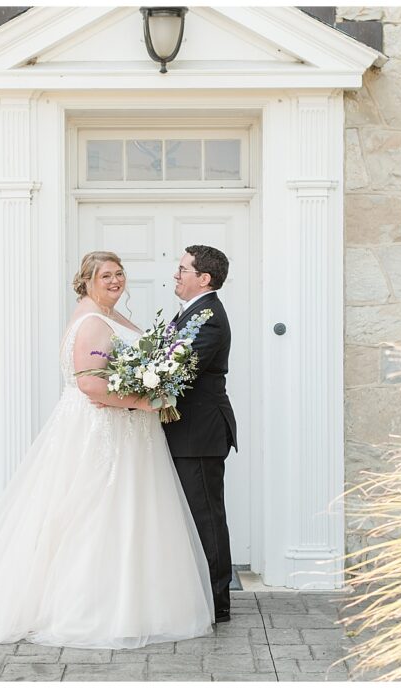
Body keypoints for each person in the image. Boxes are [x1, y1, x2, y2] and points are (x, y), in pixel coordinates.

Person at [0, 251, 214, 660]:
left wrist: (153, 386)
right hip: (102, 432)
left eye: (119, 274)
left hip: (124, 432)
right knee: (97, 514)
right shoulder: (94, 322)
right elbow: (92, 388)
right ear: (87, 281)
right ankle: (90, 609)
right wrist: (146, 401)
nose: (116, 281)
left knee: (121, 514)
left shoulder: (105, 316)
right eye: (106, 276)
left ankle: (132, 603)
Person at [163, 245, 238, 625]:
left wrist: (130, 396)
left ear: (203, 278)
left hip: (199, 433)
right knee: (192, 517)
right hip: (185, 432)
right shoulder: (194, 312)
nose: (176, 275)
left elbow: (179, 375)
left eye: (182, 269)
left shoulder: (208, 317)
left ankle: (216, 601)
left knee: (205, 517)